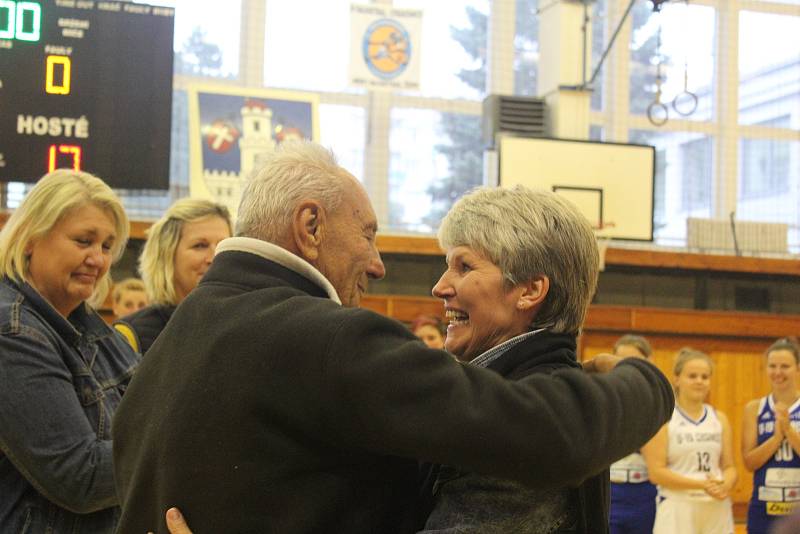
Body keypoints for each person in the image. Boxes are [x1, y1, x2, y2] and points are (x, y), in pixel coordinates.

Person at [112, 140, 674, 534]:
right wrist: (647, 379)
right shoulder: (323, 339)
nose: (380, 265)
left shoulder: (171, 339)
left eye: (462, 265)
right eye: (368, 235)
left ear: (530, 290)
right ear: (310, 228)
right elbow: (555, 433)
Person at [0, 169, 139, 532]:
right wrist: (177, 449)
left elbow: (154, 409)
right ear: (30, 237)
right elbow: (79, 476)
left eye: (107, 246)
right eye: (83, 241)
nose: (98, 259)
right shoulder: (13, 332)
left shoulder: (94, 329)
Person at [113, 198, 231, 353]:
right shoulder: (129, 336)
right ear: (167, 255)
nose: (214, 257)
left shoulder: (241, 325)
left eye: (223, 245)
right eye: (200, 246)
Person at [642, 347, 737, 534]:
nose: (699, 381)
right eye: (692, 376)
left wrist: (725, 484)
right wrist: (702, 484)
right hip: (678, 505)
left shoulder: (719, 418)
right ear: (677, 379)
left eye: (705, 377)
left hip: (716, 505)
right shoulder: (664, 419)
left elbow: (729, 467)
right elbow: (656, 472)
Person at [742, 337, 800, 533]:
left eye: (785, 366)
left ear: (797, 368)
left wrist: (789, 431)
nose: (778, 372)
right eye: (772, 366)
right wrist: (776, 439)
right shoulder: (754, 409)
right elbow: (749, 462)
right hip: (764, 505)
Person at [608, 334, 658, 534]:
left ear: (649, 362)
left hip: (643, 490)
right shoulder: (603, 399)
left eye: (634, 361)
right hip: (611, 489)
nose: (627, 367)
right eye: (621, 361)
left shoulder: (659, 401)